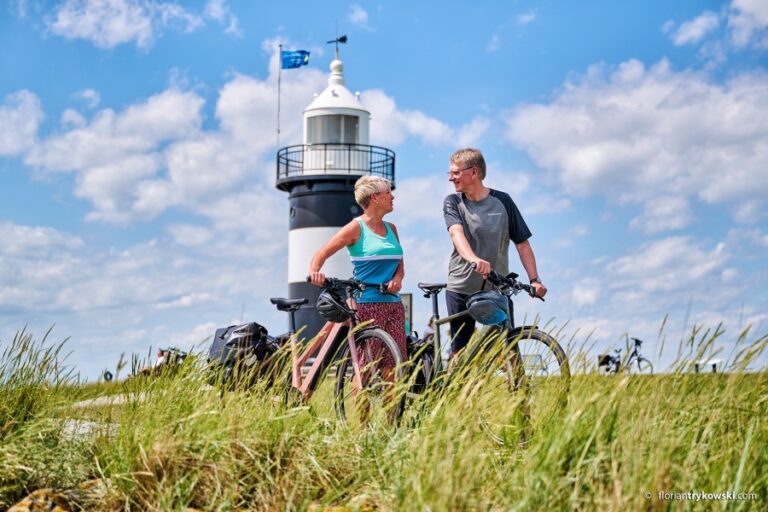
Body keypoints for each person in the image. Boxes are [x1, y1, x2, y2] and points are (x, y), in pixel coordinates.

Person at [443, 148, 547, 357]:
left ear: (473, 172)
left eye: (455, 172)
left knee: (507, 347)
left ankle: (518, 387)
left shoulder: (503, 201)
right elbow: (456, 233)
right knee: (460, 352)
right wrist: (473, 259)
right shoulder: (453, 202)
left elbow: (522, 244)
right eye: (450, 173)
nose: (450, 178)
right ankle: (453, 389)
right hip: (461, 286)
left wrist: (534, 279)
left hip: (497, 286)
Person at [308, 175, 406, 362]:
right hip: (366, 304)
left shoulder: (392, 229)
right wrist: (315, 271)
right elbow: (322, 252)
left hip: (394, 304)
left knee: (394, 366)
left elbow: (400, 263)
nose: (392, 197)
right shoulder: (356, 228)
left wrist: (398, 279)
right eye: (388, 193)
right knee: (365, 366)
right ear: (374, 197)